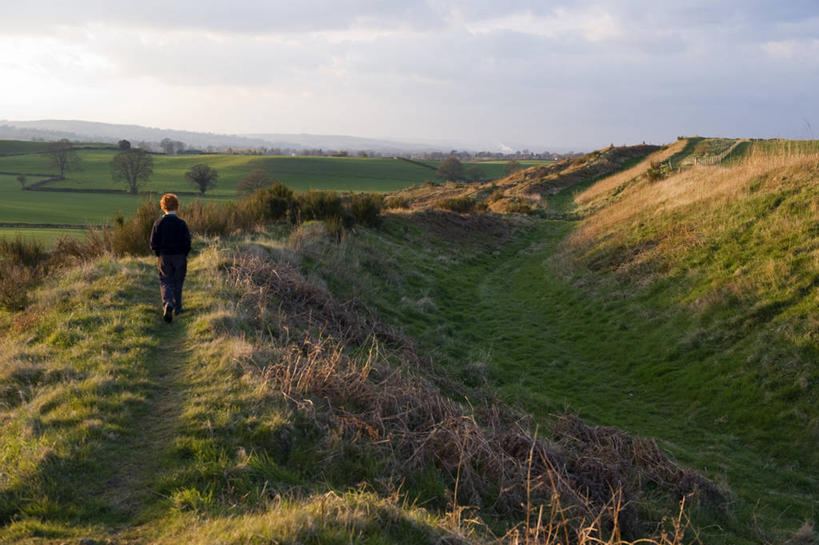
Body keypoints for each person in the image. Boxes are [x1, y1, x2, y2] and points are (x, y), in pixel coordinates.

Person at [149, 193, 191, 323]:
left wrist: (158, 253)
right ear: (177, 207)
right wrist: (184, 254)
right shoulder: (181, 224)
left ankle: (168, 304)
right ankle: (178, 308)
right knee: (178, 282)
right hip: (179, 257)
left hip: (164, 257)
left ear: (163, 207)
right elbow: (187, 242)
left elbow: (152, 243)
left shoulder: (158, 223)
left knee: (166, 282)